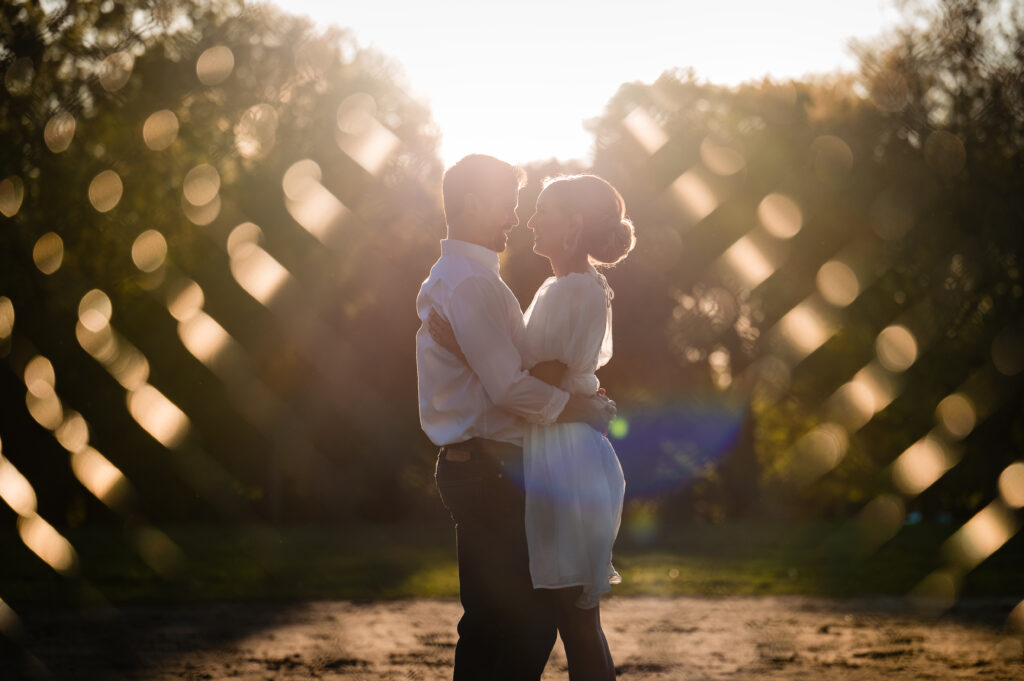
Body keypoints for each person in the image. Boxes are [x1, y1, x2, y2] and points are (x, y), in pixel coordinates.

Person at [415, 155, 616, 681]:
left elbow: (523, 369)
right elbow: (511, 384)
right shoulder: (473, 284)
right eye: (508, 202)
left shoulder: (468, 278)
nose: (517, 216)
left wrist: (463, 345)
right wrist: (583, 407)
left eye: (529, 207)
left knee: (518, 623)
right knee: (518, 626)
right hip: (494, 470)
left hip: (508, 465)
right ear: (473, 202)